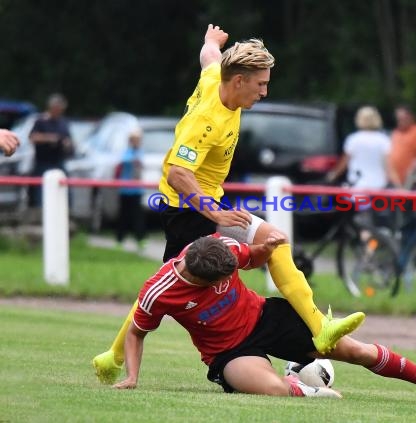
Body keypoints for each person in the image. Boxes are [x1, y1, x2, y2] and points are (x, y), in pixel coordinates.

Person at [93, 24, 364, 384]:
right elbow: (177, 173)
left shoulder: (217, 80)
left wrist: (209, 42)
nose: (265, 92)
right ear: (238, 81)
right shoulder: (207, 122)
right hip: (187, 212)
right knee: (163, 287)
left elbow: (209, 61)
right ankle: (113, 356)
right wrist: (214, 211)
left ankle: (320, 325)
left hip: (205, 205)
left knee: (272, 241)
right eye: (261, 84)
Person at [112, 233, 416, 402]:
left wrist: (268, 248)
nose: (230, 279)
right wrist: (132, 376)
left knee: (358, 352)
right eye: (223, 280)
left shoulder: (222, 249)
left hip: (267, 318)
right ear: (198, 278)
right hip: (228, 352)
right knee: (271, 391)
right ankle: (302, 381)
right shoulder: (159, 290)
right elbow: (136, 332)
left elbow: (254, 256)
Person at [326, 105, 391, 228]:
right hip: (379, 186)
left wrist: (332, 175)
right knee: (372, 216)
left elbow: (344, 162)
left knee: (361, 216)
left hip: (357, 186)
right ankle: (370, 239)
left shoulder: (353, 139)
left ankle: (364, 239)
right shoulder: (384, 140)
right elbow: (388, 165)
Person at [29, 93, 73, 207]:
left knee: (64, 186)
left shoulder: (63, 123)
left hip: (59, 160)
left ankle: (65, 210)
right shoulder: (41, 121)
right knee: (41, 189)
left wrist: (67, 143)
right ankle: (40, 212)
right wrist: (49, 138)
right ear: (51, 107)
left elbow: (69, 139)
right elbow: (33, 137)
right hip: (43, 161)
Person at [387, 105, 416, 188]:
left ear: (411, 118)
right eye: (398, 119)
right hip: (393, 181)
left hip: (407, 182)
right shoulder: (396, 132)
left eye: (403, 118)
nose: (400, 121)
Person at [115, 129, 146, 251]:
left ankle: (140, 239)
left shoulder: (140, 152)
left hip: (137, 190)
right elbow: (124, 161)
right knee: (123, 215)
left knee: (137, 216)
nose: (137, 142)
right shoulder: (127, 152)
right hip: (125, 189)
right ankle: (119, 239)